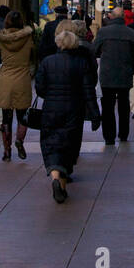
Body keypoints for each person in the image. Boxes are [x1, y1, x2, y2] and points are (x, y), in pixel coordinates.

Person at [35, 21, 100, 201]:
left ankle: (56, 178)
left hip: (51, 110)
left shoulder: (48, 62)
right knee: (69, 145)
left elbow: (40, 88)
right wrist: (95, 114)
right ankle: (62, 185)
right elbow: (89, 91)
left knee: (52, 143)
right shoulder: (81, 63)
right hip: (74, 109)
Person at [91, 7, 134, 145]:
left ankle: (109, 137)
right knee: (124, 106)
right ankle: (123, 134)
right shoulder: (131, 33)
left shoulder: (103, 32)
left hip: (107, 74)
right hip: (125, 73)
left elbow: (94, 50)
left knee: (107, 107)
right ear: (123, 17)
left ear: (112, 16)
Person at [0, 9, 34, 161]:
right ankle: (20, 140)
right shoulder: (29, 38)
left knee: (6, 117)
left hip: (5, 79)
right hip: (23, 79)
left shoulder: (1, 39)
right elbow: (33, 57)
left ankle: (6, 150)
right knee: (22, 116)